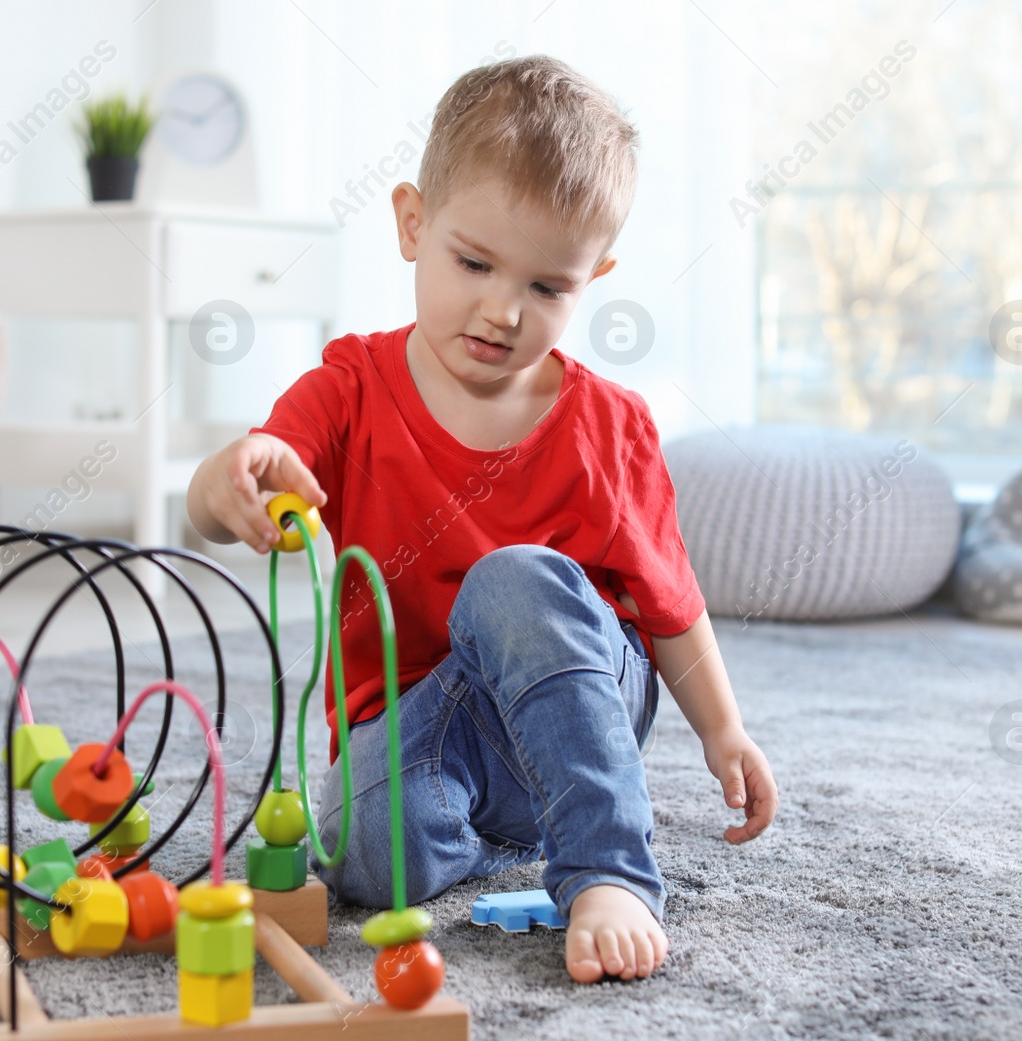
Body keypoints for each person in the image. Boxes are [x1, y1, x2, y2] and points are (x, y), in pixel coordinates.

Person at [187, 54, 778, 983]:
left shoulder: (608, 424)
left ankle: (609, 867)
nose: (503, 311)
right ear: (413, 225)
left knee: (513, 578)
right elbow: (247, 483)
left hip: (576, 680)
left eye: (548, 288)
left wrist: (723, 730)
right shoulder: (347, 387)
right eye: (474, 263)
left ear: (594, 278)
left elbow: (670, 601)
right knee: (362, 852)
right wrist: (225, 484)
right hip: (429, 722)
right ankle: (522, 820)